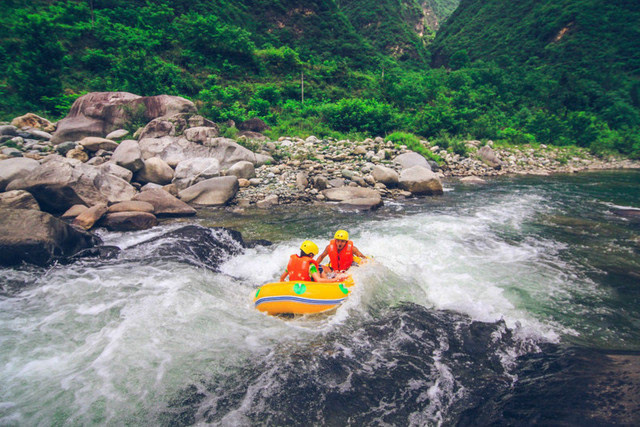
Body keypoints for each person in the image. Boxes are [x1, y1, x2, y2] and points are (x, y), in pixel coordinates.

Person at [280, 240, 346, 282]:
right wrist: (335, 279)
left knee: (319, 267)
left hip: (294, 287)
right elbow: (319, 280)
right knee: (319, 268)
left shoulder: (291, 263)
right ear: (311, 254)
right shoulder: (311, 266)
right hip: (308, 288)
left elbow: (282, 278)